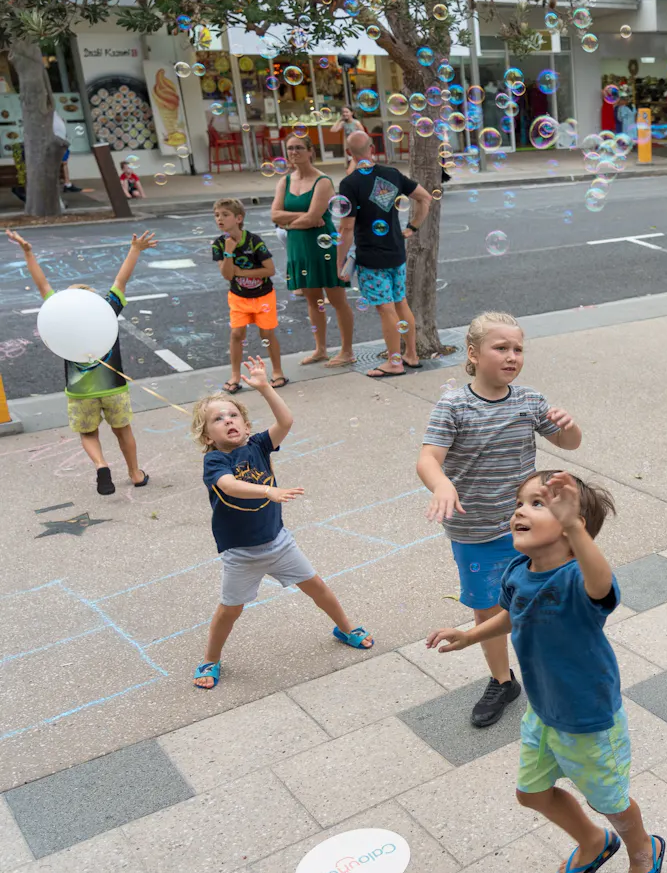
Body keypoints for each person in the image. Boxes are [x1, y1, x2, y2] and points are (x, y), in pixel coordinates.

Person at [427, 470, 664, 873]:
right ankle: (594, 841)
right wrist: (470, 635)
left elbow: (602, 584)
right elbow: (513, 613)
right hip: (542, 711)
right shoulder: (519, 570)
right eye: (520, 502)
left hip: (588, 719)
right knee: (531, 794)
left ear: (574, 527)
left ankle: (643, 852)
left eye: (538, 504)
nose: (520, 510)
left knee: (610, 802)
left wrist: (574, 525)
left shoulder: (578, 579)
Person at [418, 311, 583, 728]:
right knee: (489, 610)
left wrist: (569, 427)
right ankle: (502, 681)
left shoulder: (529, 400)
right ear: (473, 353)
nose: (512, 356)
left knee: (543, 598)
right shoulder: (453, 406)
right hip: (475, 531)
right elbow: (428, 459)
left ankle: (551, 668)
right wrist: (441, 484)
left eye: (518, 349)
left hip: (529, 525)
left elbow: (569, 443)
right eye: (501, 348)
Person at [191, 355, 373, 690]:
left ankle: (345, 628)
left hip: (278, 542)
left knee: (318, 588)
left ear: (246, 426)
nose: (228, 421)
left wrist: (264, 388)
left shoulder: (259, 445)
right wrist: (267, 491)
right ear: (207, 437)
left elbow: (286, 421)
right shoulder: (215, 460)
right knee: (229, 611)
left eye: (233, 415)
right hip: (241, 554)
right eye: (218, 419)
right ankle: (211, 659)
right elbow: (228, 486)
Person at [7, 228, 153, 494]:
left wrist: (28, 253)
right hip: (114, 387)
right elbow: (121, 280)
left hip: (80, 391)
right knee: (123, 431)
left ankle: (101, 465)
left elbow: (42, 285)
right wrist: (135, 250)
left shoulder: (59, 316)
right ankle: (135, 473)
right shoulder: (106, 309)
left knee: (88, 434)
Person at [335, 131, 431, 378]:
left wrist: (340, 261)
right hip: (396, 252)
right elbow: (425, 198)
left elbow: (346, 228)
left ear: (349, 153)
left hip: (371, 257)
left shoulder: (349, 183)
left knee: (386, 309)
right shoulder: (392, 174)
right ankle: (411, 355)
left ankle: (394, 362)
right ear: (372, 148)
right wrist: (412, 228)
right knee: (400, 302)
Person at [271, 134, 355, 368]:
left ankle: (347, 351)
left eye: (299, 147)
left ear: (310, 152)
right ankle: (320, 350)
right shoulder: (285, 181)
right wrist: (301, 218)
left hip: (323, 246)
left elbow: (313, 218)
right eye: (290, 148)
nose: (294, 152)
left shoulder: (323, 181)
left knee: (337, 300)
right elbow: (275, 215)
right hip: (299, 246)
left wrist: (289, 223)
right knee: (313, 301)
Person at [212, 198, 286, 393]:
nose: (220, 219)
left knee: (267, 334)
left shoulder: (254, 241)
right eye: (217, 215)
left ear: (239, 218)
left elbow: (270, 270)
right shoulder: (219, 244)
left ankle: (277, 371)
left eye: (225, 215)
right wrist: (229, 252)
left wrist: (242, 272)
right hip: (238, 297)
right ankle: (235, 376)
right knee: (236, 334)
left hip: (263, 296)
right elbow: (227, 275)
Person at [329, 106, 365, 175]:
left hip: (357, 149)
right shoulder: (343, 123)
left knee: (350, 171)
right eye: (343, 112)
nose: (345, 114)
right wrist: (339, 120)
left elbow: (364, 135)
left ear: (352, 113)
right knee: (355, 170)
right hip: (350, 149)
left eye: (347, 112)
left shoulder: (356, 123)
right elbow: (333, 130)